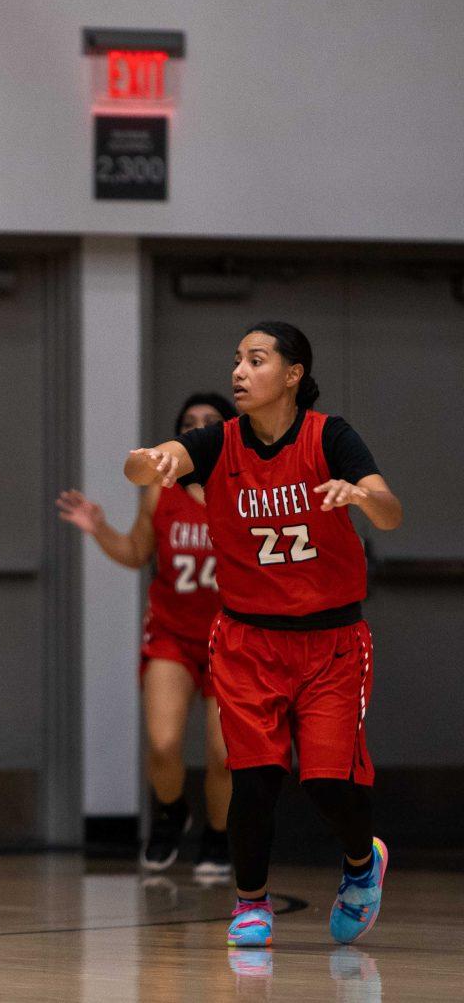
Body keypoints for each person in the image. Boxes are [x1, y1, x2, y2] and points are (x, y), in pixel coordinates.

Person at [123, 322, 402, 948]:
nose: (239, 372)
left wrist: (360, 495)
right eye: (236, 361)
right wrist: (149, 461)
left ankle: (363, 864)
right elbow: (140, 468)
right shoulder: (218, 443)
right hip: (249, 640)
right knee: (253, 777)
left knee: (328, 781)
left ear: (293, 374)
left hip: (331, 643)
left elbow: (391, 509)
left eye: (256, 360)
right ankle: (250, 904)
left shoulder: (331, 436)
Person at [58, 393, 235, 878]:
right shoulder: (161, 490)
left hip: (233, 640)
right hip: (172, 635)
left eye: (210, 423)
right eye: (188, 423)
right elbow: (137, 551)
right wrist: (98, 528)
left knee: (224, 756)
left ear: (226, 433)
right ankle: (171, 812)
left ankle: (218, 836)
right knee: (162, 743)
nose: (198, 429)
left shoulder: (245, 491)